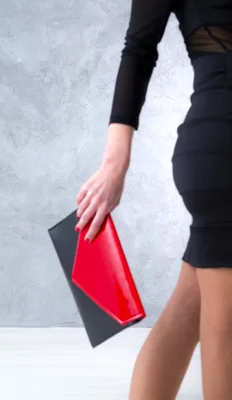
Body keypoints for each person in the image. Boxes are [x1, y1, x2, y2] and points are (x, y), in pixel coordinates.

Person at [74, 0, 232, 399]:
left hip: (213, 151)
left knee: (186, 313)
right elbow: (138, 49)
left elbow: (138, 48)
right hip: (223, 150)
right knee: (226, 334)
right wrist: (114, 164)